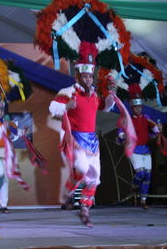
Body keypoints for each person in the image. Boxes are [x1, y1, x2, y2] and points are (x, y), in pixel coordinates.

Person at [49, 42, 116, 228]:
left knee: (95, 177)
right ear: (78, 75)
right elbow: (52, 108)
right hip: (75, 139)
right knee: (81, 168)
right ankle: (68, 193)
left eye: (90, 76)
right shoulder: (68, 93)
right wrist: (65, 107)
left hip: (92, 142)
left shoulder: (94, 95)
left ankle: (85, 209)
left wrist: (111, 94)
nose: (88, 79)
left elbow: (106, 107)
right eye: (84, 76)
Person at [117, 84, 162, 209]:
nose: (138, 109)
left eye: (140, 107)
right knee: (141, 173)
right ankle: (134, 185)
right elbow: (120, 133)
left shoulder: (147, 118)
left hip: (145, 150)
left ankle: (143, 200)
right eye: (136, 107)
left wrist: (158, 129)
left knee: (148, 175)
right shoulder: (127, 119)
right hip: (134, 149)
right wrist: (123, 135)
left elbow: (154, 130)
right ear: (132, 107)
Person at [0, 96, 29, 214]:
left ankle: (3, 205)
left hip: (6, 153)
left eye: (2, 109)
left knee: (6, 179)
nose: (0, 112)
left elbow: (17, 132)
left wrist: (24, 132)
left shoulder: (8, 122)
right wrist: (2, 127)